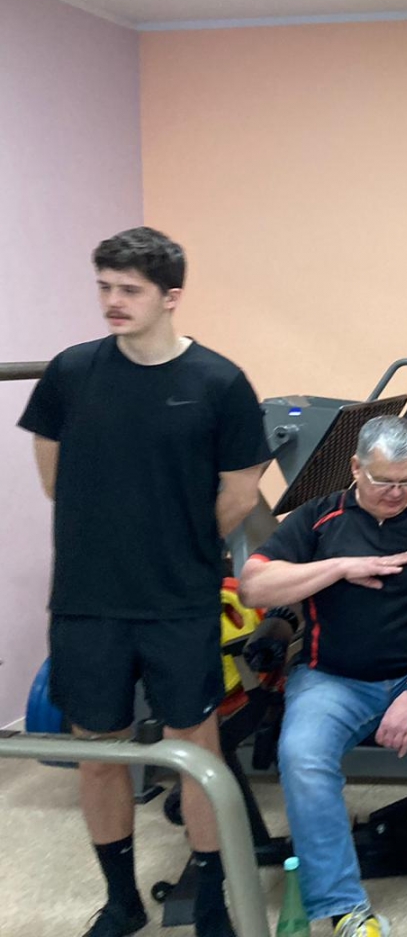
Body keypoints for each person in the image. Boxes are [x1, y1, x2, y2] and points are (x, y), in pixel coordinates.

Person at [18, 227, 270, 937]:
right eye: (104, 286)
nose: (113, 301)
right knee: (99, 753)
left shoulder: (219, 382)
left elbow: (240, 493)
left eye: (129, 289)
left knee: (195, 750)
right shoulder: (71, 373)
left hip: (179, 599)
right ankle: (119, 900)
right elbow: (54, 480)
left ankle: (213, 902)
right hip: (88, 601)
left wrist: (177, 542)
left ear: (171, 296)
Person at [239, 415, 407, 937]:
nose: (397, 493)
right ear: (356, 468)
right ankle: (344, 905)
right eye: (384, 481)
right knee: (301, 753)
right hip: (331, 678)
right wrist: (338, 567)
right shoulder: (317, 519)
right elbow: (253, 586)